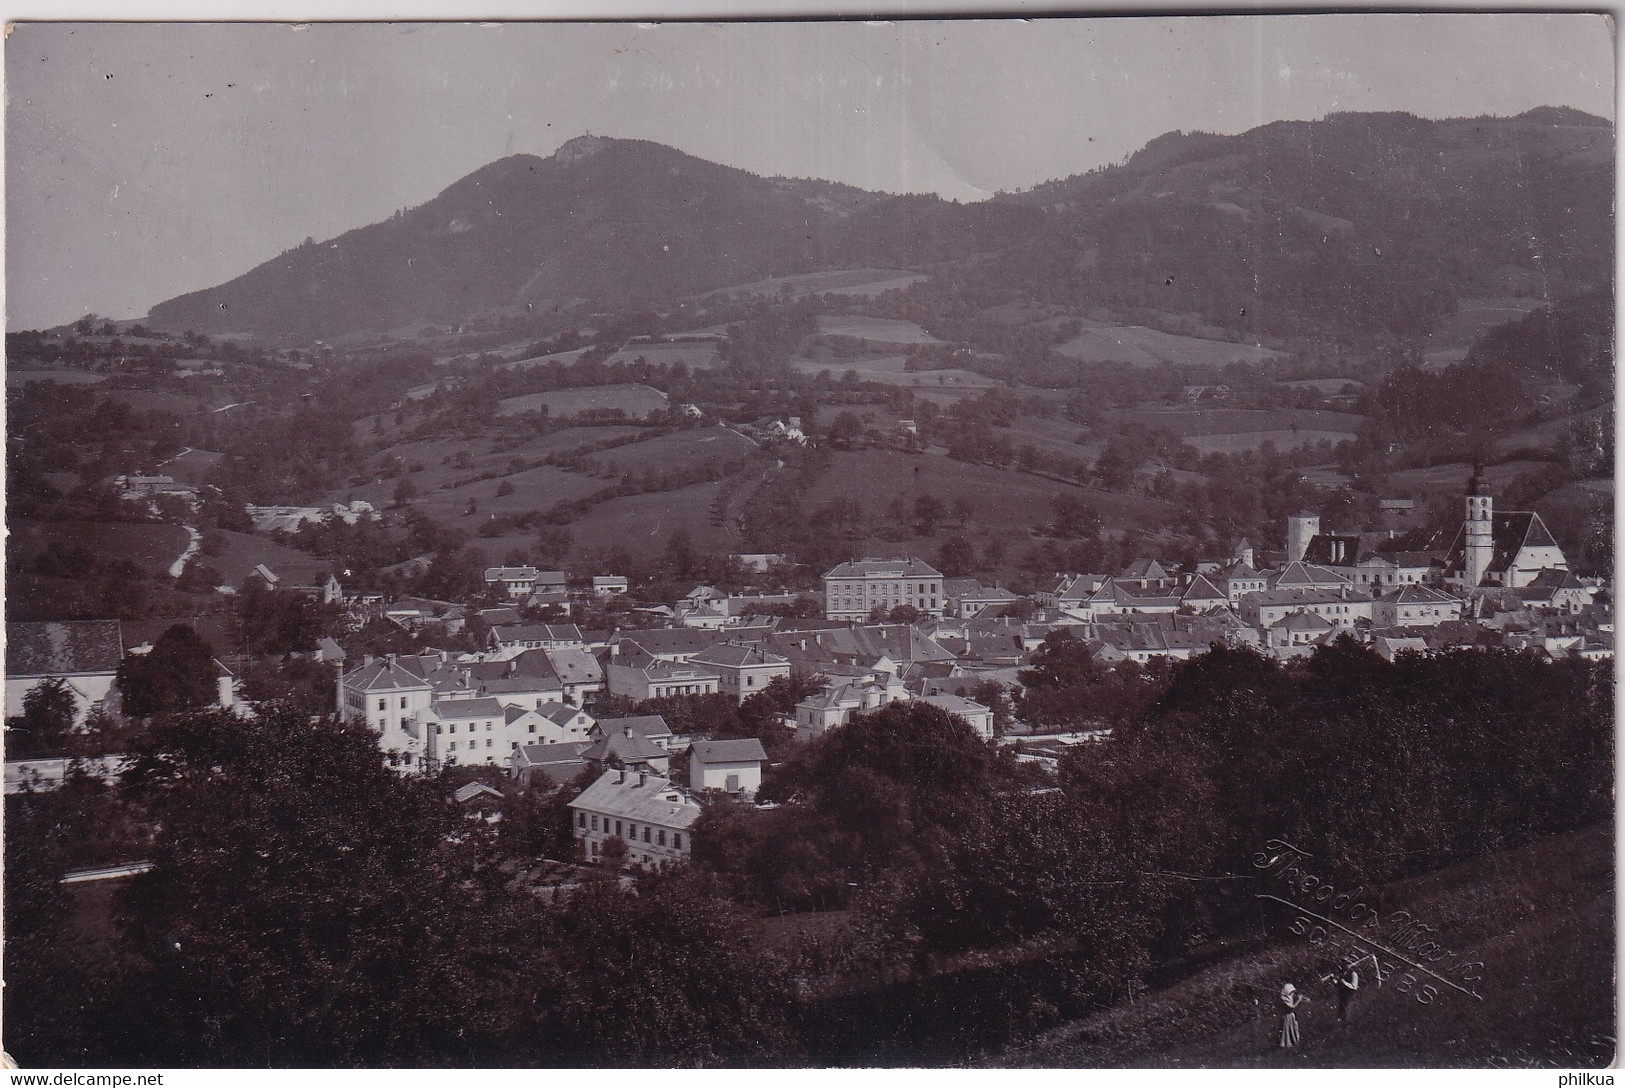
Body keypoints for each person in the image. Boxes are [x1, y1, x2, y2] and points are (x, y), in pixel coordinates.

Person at [1279, 982, 1309, 1048]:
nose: (1293, 994)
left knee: (1293, 1029)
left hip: (1291, 1016)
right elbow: (1291, 1007)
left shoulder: (1290, 997)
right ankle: (1286, 1044)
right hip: (1286, 1016)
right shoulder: (1283, 998)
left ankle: (1295, 1043)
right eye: (1291, 992)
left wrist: (1303, 999)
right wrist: (1299, 1000)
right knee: (1286, 1030)